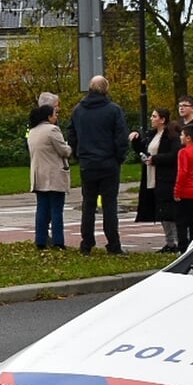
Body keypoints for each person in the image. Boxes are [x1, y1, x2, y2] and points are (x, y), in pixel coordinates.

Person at [68, 75, 129, 254]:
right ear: (106, 89)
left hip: (88, 162)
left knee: (88, 204)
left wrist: (79, 155)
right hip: (109, 162)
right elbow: (121, 136)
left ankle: (86, 242)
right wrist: (119, 157)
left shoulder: (78, 110)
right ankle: (113, 244)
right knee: (109, 204)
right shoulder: (113, 110)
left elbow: (72, 134)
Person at [131, 107, 182, 252]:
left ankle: (179, 242)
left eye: (154, 116)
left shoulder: (171, 136)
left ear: (162, 119)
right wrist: (136, 140)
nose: (151, 119)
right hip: (151, 177)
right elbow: (143, 149)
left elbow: (174, 155)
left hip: (165, 178)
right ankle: (169, 242)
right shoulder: (152, 134)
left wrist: (155, 159)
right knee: (161, 212)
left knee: (169, 212)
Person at [27, 101, 73, 249]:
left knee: (42, 209)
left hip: (38, 174)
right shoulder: (52, 130)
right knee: (56, 210)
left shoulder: (33, 131)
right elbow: (63, 151)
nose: (56, 116)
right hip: (53, 175)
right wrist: (69, 146)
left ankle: (40, 240)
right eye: (55, 114)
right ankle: (58, 241)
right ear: (48, 116)